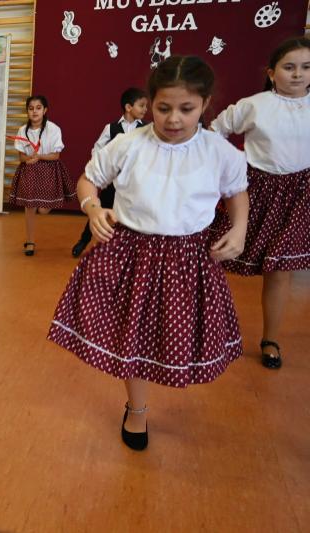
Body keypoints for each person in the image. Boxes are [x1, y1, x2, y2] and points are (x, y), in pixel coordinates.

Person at [47, 56, 249, 451]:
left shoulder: (218, 151)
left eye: (186, 109)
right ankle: (137, 408)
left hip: (188, 260)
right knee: (133, 337)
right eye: (163, 108)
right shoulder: (129, 145)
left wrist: (239, 228)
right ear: (149, 104)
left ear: (206, 104)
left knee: (172, 334)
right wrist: (92, 208)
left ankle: (158, 386)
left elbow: (236, 191)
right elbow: (89, 179)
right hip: (132, 253)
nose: (174, 119)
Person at [210, 37, 310, 370]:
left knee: (280, 270)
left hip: (299, 196)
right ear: (271, 73)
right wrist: (230, 168)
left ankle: (270, 339)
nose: (297, 74)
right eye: (289, 67)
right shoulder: (254, 105)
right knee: (218, 254)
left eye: (306, 67)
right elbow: (215, 131)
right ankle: (209, 329)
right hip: (254, 191)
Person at [71, 87, 148, 257]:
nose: (145, 109)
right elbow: (97, 149)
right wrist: (102, 168)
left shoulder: (147, 130)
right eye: (141, 105)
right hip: (112, 183)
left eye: (146, 106)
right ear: (128, 107)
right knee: (100, 212)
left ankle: (125, 251)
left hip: (133, 184)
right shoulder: (111, 128)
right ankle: (83, 241)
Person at [8, 95, 73, 256]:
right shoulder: (22, 130)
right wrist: (29, 159)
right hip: (30, 170)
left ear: (45, 110)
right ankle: (30, 241)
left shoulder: (54, 129)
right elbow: (21, 157)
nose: (34, 111)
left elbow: (56, 156)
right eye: (31, 108)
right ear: (27, 111)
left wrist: (40, 156)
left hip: (49, 169)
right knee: (30, 207)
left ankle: (50, 200)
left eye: (38, 108)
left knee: (43, 210)